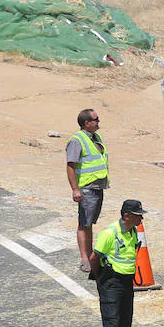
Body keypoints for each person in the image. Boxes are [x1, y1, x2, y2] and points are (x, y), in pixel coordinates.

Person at [90, 199, 146, 327]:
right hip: (111, 281)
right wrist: (100, 280)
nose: (141, 220)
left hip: (126, 281)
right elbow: (94, 257)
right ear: (126, 215)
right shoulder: (109, 233)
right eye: (138, 216)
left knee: (124, 319)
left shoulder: (133, 231)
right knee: (112, 320)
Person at [66, 108, 109, 274]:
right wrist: (75, 189)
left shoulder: (96, 138)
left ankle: (91, 255)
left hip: (97, 188)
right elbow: (71, 166)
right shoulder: (77, 140)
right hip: (87, 188)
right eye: (96, 119)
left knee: (89, 222)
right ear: (86, 123)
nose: (98, 122)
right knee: (84, 223)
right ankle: (85, 258)